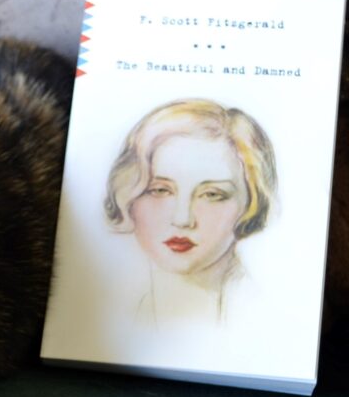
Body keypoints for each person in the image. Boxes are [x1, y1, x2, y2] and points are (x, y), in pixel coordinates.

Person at [104, 98, 278, 321]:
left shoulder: (267, 317)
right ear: (126, 196)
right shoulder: (116, 316)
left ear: (251, 202)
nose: (182, 219)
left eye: (212, 194)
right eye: (160, 190)